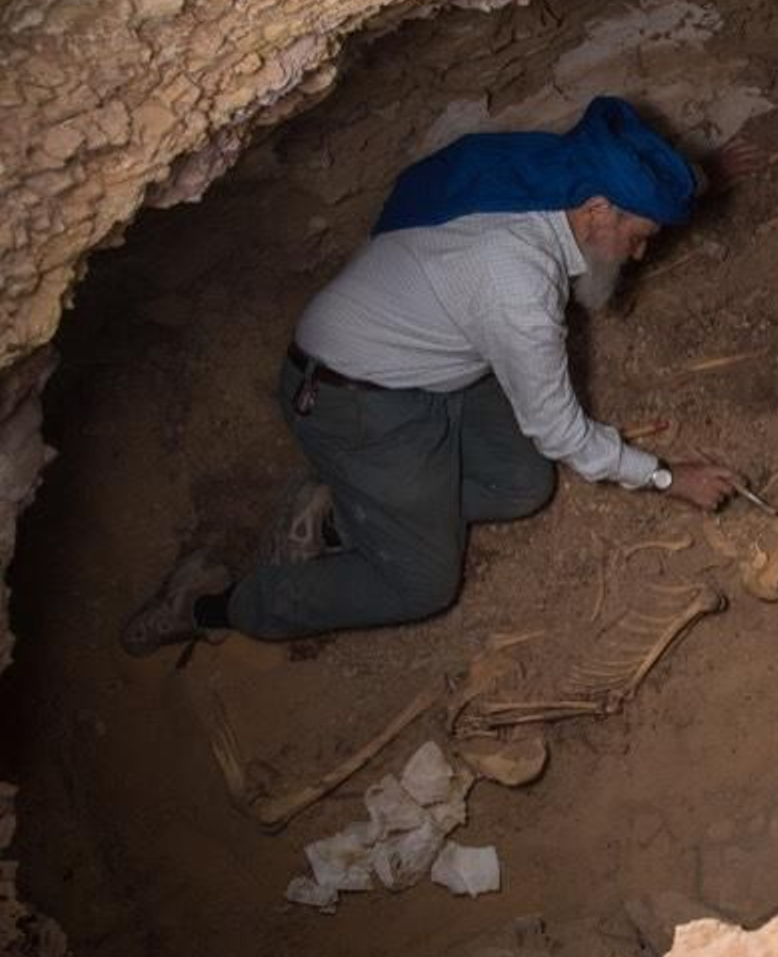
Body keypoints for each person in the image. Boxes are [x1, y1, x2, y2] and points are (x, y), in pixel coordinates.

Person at [121, 96, 744, 656]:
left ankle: (345, 513)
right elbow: (562, 434)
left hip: (427, 358)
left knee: (522, 485)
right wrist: (666, 477)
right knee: (420, 584)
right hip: (351, 398)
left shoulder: (537, 173)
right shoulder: (517, 287)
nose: (637, 255)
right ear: (599, 207)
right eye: (637, 238)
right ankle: (211, 604)